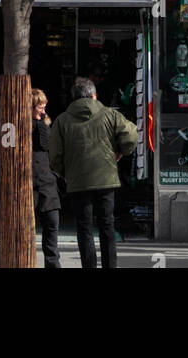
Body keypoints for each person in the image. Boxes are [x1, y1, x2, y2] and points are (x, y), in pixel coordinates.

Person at [49, 76, 137, 270]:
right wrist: (121, 152)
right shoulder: (109, 115)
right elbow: (130, 135)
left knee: (84, 227)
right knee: (107, 226)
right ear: (94, 95)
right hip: (106, 179)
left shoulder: (62, 120)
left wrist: (66, 172)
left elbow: (55, 155)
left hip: (78, 182)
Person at [31, 88, 61, 269]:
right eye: (39, 107)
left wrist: (41, 122)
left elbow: (45, 145)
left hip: (47, 183)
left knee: (52, 227)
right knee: (27, 230)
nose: (43, 111)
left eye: (44, 107)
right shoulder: (23, 125)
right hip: (30, 183)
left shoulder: (44, 124)